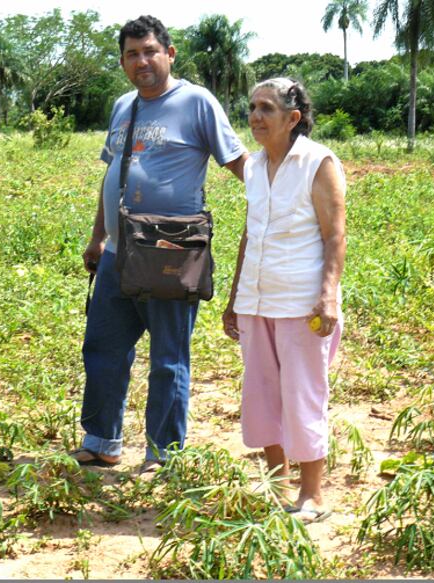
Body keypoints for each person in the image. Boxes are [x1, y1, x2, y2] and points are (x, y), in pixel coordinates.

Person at [72, 15, 248, 474]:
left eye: (150, 51)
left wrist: (281, 200)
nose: (141, 61)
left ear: (169, 54)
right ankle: (102, 440)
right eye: (132, 54)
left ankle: (163, 452)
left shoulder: (197, 102)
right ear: (123, 61)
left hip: (168, 253)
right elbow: (112, 174)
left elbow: (240, 163)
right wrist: (98, 237)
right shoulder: (122, 106)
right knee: (103, 346)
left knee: (169, 358)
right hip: (117, 254)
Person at [222, 77, 346, 522]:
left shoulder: (318, 163)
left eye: (267, 109)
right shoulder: (254, 167)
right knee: (262, 395)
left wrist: (328, 297)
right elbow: (250, 233)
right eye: (253, 107)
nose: (256, 117)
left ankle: (311, 495)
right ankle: (277, 485)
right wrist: (235, 297)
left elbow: (335, 236)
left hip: (300, 303)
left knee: (302, 395)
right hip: (257, 300)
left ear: (293, 118)